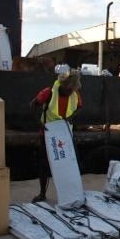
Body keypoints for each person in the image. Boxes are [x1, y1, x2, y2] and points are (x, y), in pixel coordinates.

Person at [30, 70, 83, 202]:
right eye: (69, 90)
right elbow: (32, 105)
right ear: (63, 85)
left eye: (73, 90)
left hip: (65, 134)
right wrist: (39, 123)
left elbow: (80, 107)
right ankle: (42, 194)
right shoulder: (49, 92)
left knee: (68, 164)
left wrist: (72, 117)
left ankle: (69, 193)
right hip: (48, 134)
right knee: (44, 164)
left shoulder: (74, 94)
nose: (71, 92)